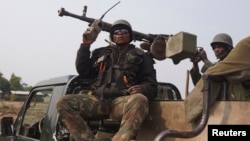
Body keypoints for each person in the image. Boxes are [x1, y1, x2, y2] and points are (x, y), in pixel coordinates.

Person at [56, 19, 158, 141]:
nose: (120, 34)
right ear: (112, 36)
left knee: (140, 99)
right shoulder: (100, 53)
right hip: (97, 101)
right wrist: (86, 45)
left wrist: (142, 88)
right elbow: (83, 70)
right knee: (63, 102)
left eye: (124, 31)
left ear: (130, 35)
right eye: (116, 32)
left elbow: (152, 86)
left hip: (120, 103)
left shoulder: (142, 56)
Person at [185, 36, 250, 123]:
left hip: (241, 109)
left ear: (229, 48)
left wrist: (205, 60)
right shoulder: (216, 67)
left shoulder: (238, 65)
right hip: (221, 110)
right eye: (214, 47)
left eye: (219, 46)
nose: (216, 50)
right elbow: (202, 84)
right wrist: (195, 65)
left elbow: (222, 72)